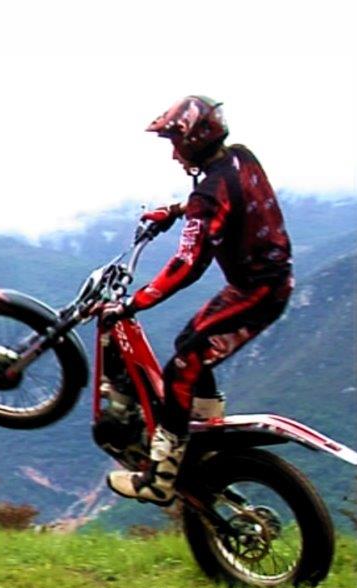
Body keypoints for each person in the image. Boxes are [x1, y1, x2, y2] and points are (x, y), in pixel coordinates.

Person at [105, 95, 294, 505]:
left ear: (195, 140)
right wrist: (178, 211)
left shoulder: (209, 194)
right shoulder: (241, 157)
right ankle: (205, 428)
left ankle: (160, 478)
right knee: (189, 343)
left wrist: (135, 303)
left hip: (257, 290)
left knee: (181, 368)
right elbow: (226, 199)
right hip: (267, 279)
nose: (174, 154)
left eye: (177, 143)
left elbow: (187, 264)